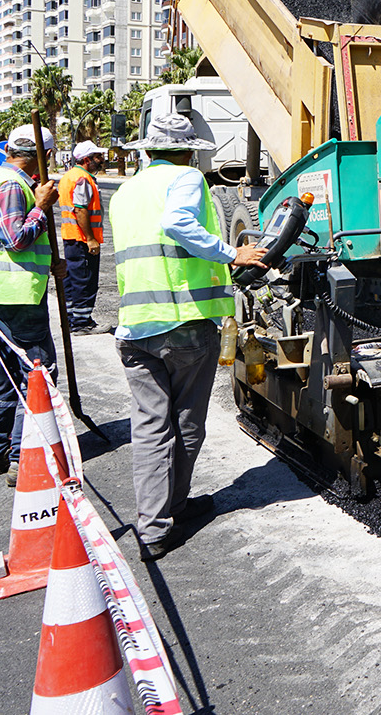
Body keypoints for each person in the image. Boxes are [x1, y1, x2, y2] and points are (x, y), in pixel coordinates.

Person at [109, 112, 266, 559]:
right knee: (187, 425)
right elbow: (178, 224)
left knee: (150, 429)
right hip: (184, 324)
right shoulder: (186, 178)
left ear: (148, 150)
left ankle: (155, 523)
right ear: (188, 151)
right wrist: (232, 253)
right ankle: (168, 513)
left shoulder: (125, 192)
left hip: (135, 327)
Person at [0, 124, 60, 483]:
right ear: (44, 156)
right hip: (19, 296)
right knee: (37, 375)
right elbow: (16, 239)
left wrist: (51, 260)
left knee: (4, 375)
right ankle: (22, 457)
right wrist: (40, 207)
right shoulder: (11, 185)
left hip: (1, 292)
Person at [58, 140, 109, 333]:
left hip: (71, 236)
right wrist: (90, 238)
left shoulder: (69, 176)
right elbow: (80, 209)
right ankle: (82, 323)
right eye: (98, 157)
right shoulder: (82, 179)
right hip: (82, 239)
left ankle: (71, 318)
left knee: (72, 278)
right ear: (87, 160)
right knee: (85, 280)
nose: (101, 160)